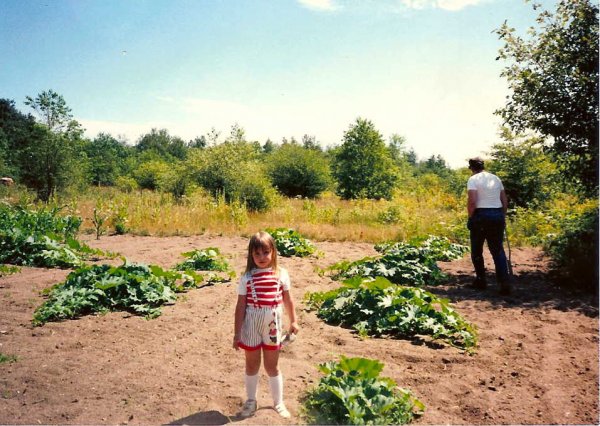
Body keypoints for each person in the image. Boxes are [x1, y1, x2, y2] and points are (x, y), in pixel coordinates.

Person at [232, 231, 299, 419]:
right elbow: (240, 306)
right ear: (251, 255)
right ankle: (251, 401)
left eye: (266, 252)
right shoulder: (247, 277)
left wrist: (294, 320)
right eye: (257, 254)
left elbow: (288, 300)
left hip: (272, 323)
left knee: (272, 366)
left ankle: (278, 402)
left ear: (273, 252)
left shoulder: (281, 273)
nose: (262, 257)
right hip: (251, 324)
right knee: (251, 364)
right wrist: (237, 333)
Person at [466, 157, 511, 295]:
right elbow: (504, 200)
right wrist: (501, 215)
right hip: (497, 213)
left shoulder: (473, 180)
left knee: (477, 249)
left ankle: (481, 280)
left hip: (481, 215)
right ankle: (504, 282)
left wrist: (470, 217)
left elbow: (472, 201)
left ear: (472, 168)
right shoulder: (495, 179)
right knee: (497, 250)